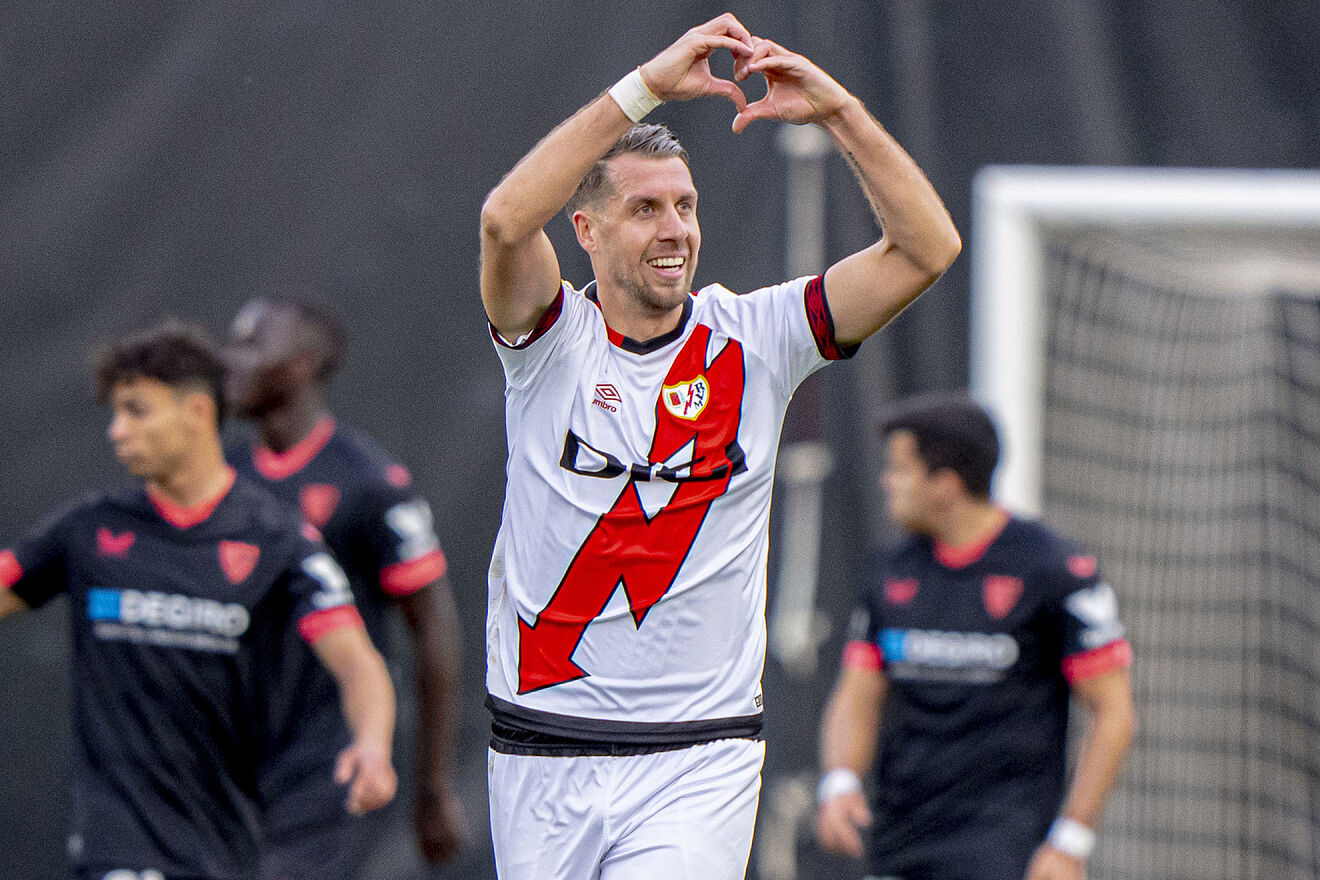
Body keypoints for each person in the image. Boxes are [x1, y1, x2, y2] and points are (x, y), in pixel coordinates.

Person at [478, 13, 960, 880]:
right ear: (585, 231)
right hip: (542, 750)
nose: (675, 229)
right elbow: (508, 222)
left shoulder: (759, 335)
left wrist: (841, 112)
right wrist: (646, 87)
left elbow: (928, 248)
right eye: (644, 208)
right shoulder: (552, 341)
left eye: (686, 205)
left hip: (699, 757)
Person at [0, 321, 398, 880]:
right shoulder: (87, 531)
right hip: (114, 839)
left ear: (197, 413)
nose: (117, 431)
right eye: (114, 414)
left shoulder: (277, 539)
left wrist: (373, 747)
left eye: (136, 411)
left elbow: (359, 665)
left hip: (225, 838)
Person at [815, 393, 1137, 880]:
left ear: (945, 485)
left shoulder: (1056, 569)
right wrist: (840, 782)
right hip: (899, 845)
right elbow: (858, 691)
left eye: (900, 470)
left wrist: (1070, 843)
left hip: (1006, 854)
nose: (887, 482)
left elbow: (1115, 714)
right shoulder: (889, 570)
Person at [223, 296, 465, 878]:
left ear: (304, 363)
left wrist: (432, 785)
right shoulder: (220, 479)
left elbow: (435, 629)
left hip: (326, 763)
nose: (229, 358)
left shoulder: (368, 483)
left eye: (253, 344)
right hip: (226, 763)